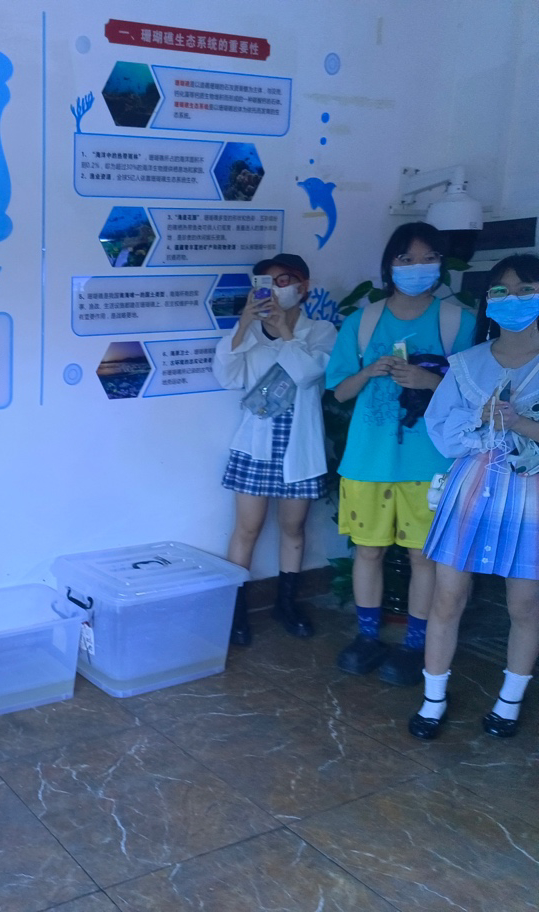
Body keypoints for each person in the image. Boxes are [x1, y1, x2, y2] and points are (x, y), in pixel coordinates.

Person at [326, 222, 476, 685]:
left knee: (422, 558)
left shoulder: (458, 321)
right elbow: (340, 391)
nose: (416, 268)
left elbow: (476, 395)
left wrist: (429, 381)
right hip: (367, 461)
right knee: (367, 551)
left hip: (431, 464)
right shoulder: (362, 322)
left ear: (441, 264)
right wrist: (370, 370)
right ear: (389, 265)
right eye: (406, 259)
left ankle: (415, 644)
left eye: (428, 258)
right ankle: (367, 637)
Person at [409, 254, 539, 739]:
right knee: (447, 596)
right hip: (471, 489)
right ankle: (432, 700)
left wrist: (521, 423)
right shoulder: (467, 363)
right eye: (501, 291)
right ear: (488, 300)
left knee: (525, 605)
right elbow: (442, 435)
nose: (513, 299)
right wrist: (479, 419)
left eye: (526, 289)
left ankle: (509, 702)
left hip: (530, 496)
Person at [213, 254, 336, 644]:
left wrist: (285, 330)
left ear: (303, 287)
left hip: (299, 446)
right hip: (255, 446)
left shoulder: (321, 331)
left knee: (293, 528)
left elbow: (308, 374)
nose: (275, 289)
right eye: (266, 283)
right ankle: (235, 611)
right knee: (247, 528)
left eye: (284, 281)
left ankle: (286, 603)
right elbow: (227, 376)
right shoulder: (250, 332)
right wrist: (244, 324)